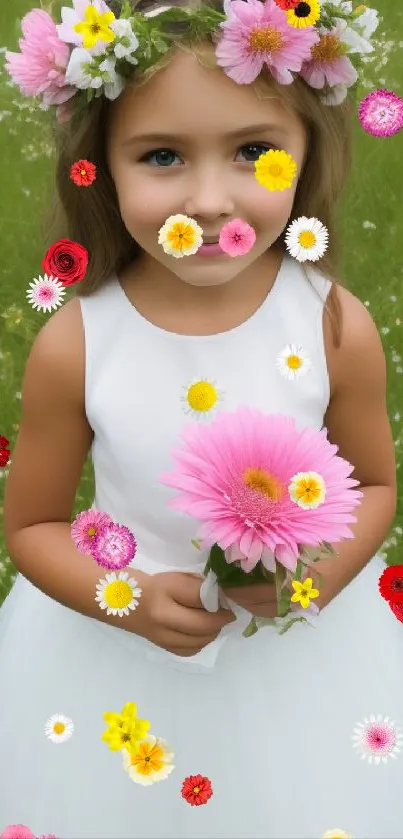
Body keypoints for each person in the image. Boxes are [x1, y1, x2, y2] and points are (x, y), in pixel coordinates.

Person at [1, 0, 402, 836]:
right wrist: (125, 600)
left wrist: (309, 582)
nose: (210, 200)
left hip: (297, 653)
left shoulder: (331, 324)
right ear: (101, 167)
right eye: (161, 156)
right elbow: (34, 523)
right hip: (116, 662)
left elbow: (371, 484)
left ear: (305, 155)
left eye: (254, 152)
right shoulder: (80, 343)